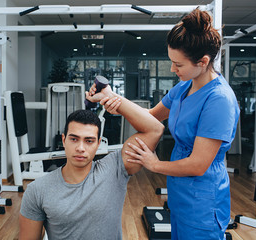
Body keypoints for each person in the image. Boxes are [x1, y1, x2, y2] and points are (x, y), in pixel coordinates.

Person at [87, 8, 240, 240]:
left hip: (203, 201)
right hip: (180, 193)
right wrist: (112, 98)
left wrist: (154, 164)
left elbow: (198, 164)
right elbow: (150, 117)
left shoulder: (219, 100)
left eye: (178, 64)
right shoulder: (184, 87)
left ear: (203, 61)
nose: (172, 69)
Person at [19, 107, 164, 239]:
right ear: (64, 140)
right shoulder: (37, 190)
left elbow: (155, 129)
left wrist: (114, 100)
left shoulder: (114, 169)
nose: (81, 148)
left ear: (98, 144)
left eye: (89, 141)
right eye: (74, 139)